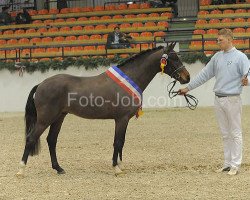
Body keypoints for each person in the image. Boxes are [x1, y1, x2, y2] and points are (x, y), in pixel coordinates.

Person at [179, 28, 250, 176]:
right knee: (225, 133)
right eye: (217, 40)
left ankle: (235, 165)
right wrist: (188, 88)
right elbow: (204, 75)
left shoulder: (240, 57)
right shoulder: (217, 57)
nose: (218, 42)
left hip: (233, 99)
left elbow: (248, 75)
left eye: (220, 40)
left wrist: (247, 80)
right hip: (218, 98)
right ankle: (227, 163)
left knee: (235, 132)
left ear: (229, 40)